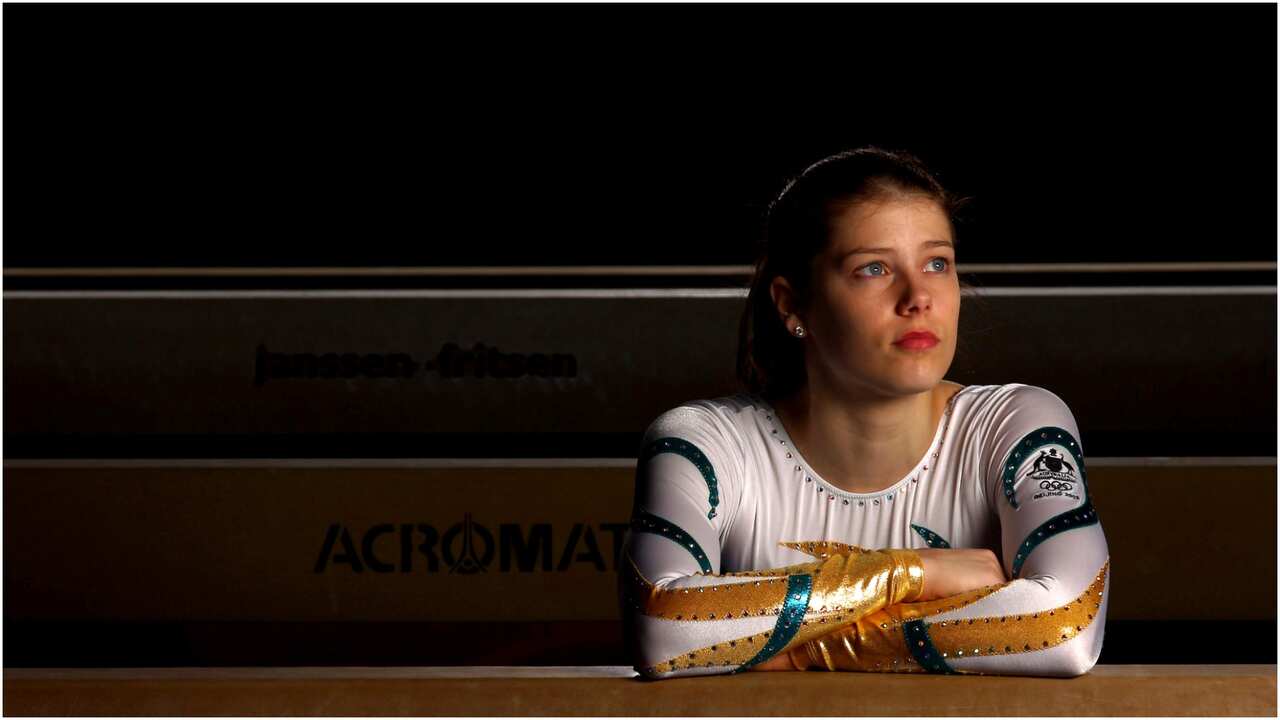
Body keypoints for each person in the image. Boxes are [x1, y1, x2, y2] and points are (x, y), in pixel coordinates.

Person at [617, 147, 1109, 679]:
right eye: (873, 268)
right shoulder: (705, 444)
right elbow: (662, 625)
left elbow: (1067, 623)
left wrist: (789, 651)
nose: (918, 296)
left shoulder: (1014, 424)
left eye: (936, 263)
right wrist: (910, 574)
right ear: (792, 304)